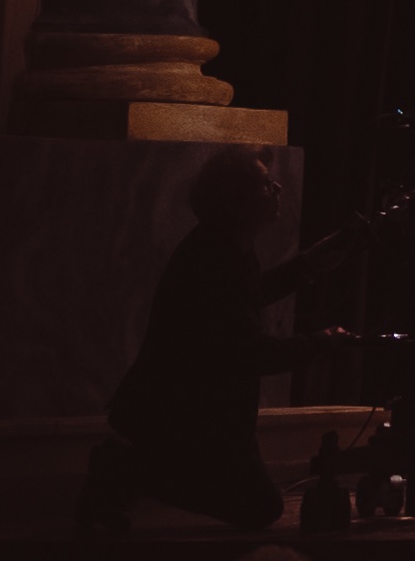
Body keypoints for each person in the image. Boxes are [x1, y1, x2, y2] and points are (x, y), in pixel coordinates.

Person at [80, 149, 342, 531]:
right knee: (259, 507)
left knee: (257, 504)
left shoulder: (220, 248)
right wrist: (318, 344)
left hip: (194, 411)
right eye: (266, 184)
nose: (278, 187)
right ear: (238, 202)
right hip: (184, 416)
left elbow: (247, 295)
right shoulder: (213, 262)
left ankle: (128, 469)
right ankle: (126, 471)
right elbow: (247, 353)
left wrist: (308, 268)